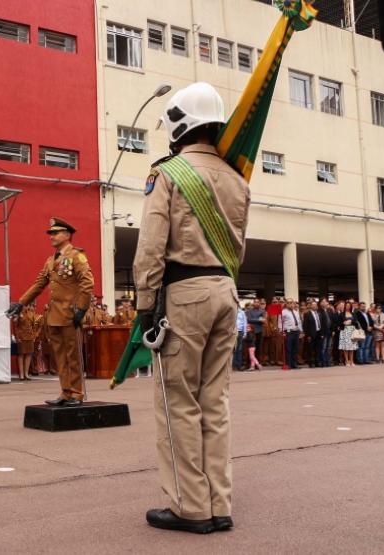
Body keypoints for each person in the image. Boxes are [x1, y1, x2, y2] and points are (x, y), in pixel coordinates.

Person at [131, 83, 247, 534]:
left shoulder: (169, 173)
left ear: (179, 123)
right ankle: (220, 503)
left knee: (178, 402)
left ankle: (190, 506)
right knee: (214, 403)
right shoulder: (237, 178)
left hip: (185, 294)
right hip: (226, 290)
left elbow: (151, 247)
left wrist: (144, 304)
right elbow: (239, 246)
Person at [7, 217, 93, 407]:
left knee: (72, 357)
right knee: (59, 357)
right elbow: (39, 284)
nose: (51, 236)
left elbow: (87, 283)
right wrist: (21, 303)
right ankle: (65, 392)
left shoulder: (77, 256)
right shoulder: (50, 261)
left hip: (71, 314)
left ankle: (77, 394)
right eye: (50, 233)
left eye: (55, 233)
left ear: (67, 235)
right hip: (54, 316)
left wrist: (81, 308)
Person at [13, 302, 41, 381]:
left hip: (30, 337)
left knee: (29, 354)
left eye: (28, 305)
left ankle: (26, 374)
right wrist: (17, 336)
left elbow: (34, 326)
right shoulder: (18, 314)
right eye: (26, 305)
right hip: (21, 337)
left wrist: (34, 335)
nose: (27, 307)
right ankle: (21, 374)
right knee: (21, 355)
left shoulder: (31, 313)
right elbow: (15, 326)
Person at [280, 298, 303, 370]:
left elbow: (299, 322)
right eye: (288, 303)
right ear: (286, 304)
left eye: (291, 303)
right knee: (288, 348)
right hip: (288, 332)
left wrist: (301, 331)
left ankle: (294, 364)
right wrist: (282, 331)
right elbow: (280, 322)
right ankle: (288, 364)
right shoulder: (283, 312)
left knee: (295, 349)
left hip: (296, 331)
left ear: (294, 304)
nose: (290, 304)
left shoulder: (296, 312)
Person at [302, 300, 322, 368]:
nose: (315, 306)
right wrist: (308, 335)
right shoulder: (307, 314)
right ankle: (310, 362)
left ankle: (317, 361)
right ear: (311, 306)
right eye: (313, 305)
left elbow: (321, 323)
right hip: (311, 334)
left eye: (316, 305)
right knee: (310, 349)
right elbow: (305, 325)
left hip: (318, 333)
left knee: (317, 348)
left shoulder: (318, 313)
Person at [317, 299, 334, 367]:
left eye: (326, 301)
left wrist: (333, 330)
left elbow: (332, 321)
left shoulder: (330, 311)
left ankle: (328, 361)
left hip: (330, 332)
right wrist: (321, 333)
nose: (325, 303)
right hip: (323, 332)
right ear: (320, 303)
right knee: (323, 347)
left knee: (329, 347)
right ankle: (323, 361)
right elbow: (319, 323)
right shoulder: (319, 312)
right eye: (323, 301)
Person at [233, 304, 247, 370]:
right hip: (233, 332)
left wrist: (245, 333)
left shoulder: (242, 312)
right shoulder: (232, 311)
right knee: (233, 349)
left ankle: (238, 365)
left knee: (239, 349)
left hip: (240, 332)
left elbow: (245, 323)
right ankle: (233, 365)